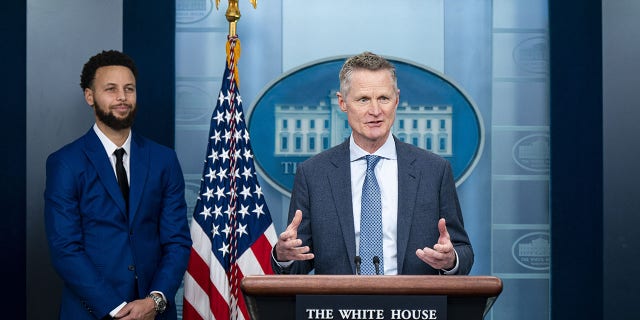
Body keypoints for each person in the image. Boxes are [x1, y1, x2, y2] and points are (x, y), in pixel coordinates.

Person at [272, 51, 473, 275]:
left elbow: (463, 252)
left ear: (396, 99)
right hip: (336, 307)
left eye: (383, 99)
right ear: (342, 102)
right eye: (363, 99)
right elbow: (299, 260)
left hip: (413, 307)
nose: (375, 111)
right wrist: (284, 256)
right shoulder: (313, 175)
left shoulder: (434, 171)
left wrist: (450, 259)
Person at [44, 50, 192, 320]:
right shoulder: (65, 163)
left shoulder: (164, 159)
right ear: (90, 96)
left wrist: (154, 301)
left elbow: (177, 241)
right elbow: (65, 249)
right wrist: (116, 310)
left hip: (154, 313)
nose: (122, 97)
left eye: (129, 89)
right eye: (111, 89)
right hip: (91, 313)